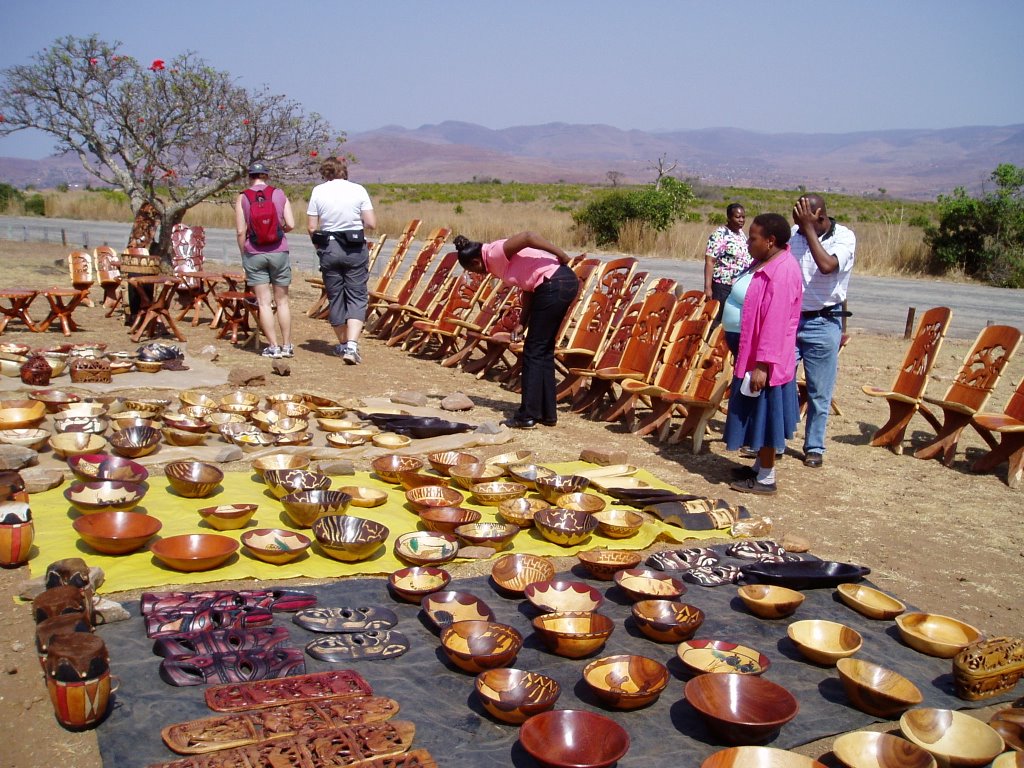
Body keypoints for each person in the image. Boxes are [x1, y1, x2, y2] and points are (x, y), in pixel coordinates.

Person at [454, 232, 578, 429]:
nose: (478, 274)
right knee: (543, 350)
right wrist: (522, 323)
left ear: (476, 261)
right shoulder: (495, 262)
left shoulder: (494, 252)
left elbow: (528, 237)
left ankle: (527, 415)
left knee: (533, 351)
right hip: (558, 283)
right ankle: (547, 414)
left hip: (554, 283)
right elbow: (528, 288)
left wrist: (561, 255)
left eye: (473, 269)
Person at [724, 213, 803, 495]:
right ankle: (759, 467)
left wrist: (763, 366)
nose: (748, 242)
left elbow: (776, 323)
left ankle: (767, 478)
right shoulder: (768, 262)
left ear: (770, 241)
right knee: (757, 412)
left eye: (753, 238)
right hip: (754, 353)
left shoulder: (782, 272)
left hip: (768, 361)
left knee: (767, 415)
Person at [790, 193, 856, 468]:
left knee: (819, 391)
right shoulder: (796, 233)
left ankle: (814, 446)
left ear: (819, 216)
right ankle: (775, 441)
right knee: (779, 383)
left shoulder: (845, 237)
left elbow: (827, 266)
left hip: (823, 321)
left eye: (804, 220)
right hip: (791, 320)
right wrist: (801, 228)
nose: (799, 227)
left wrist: (807, 230)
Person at [306, 156, 376, 365]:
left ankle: (343, 343)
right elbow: (371, 223)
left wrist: (319, 247)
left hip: (329, 247)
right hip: (354, 248)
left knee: (335, 296)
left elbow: (311, 227)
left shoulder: (318, 191)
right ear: (343, 171)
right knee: (356, 295)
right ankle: (352, 346)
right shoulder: (358, 190)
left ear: (325, 173)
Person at [235, 161, 296, 358]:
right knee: (283, 302)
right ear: (266, 176)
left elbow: (240, 231)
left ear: (250, 176)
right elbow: (292, 224)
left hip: (254, 253)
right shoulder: (279, 194)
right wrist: (279, 231)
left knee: (263, 302)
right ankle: (287, 345)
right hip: (279, 251)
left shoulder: (242, 197)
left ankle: (273, 346)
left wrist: (244, 254)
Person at [703, 203, 751, 330]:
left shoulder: (741, 234)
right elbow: (710, 261)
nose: (741, 220)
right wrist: (708, 287)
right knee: (716, 318)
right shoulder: (720, 234)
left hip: (737, 285)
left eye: (743, 217)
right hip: (722, 285)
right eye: (738, 217)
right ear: (729, 218)